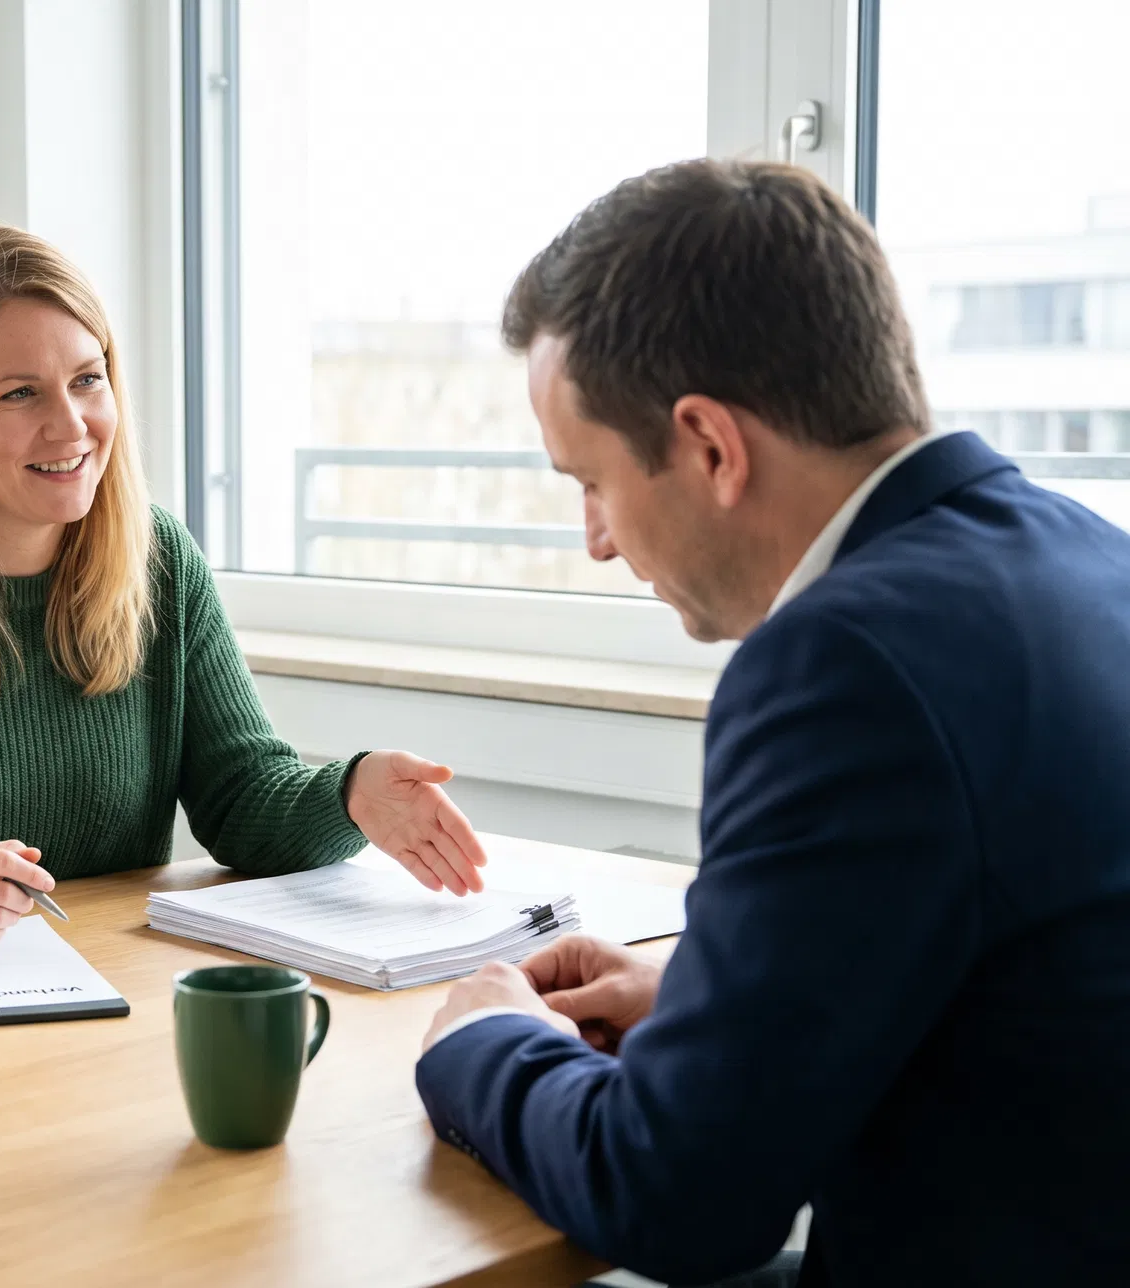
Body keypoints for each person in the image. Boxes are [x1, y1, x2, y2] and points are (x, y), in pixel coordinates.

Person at [414, 160, 1130, 1287]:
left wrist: (479, 1041)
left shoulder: (841, 665)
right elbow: (1025, 980)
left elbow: (673, 1197)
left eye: (590, 480)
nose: (596, 538)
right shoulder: (1088, 561)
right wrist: (715, 995)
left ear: (709, 446)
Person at [0, 224, 488, 947]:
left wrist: (348, 795)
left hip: (117, 1008)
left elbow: (241, 797)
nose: (71, 426)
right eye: (19, 393)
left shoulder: (159, 560)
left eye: (87, 379)